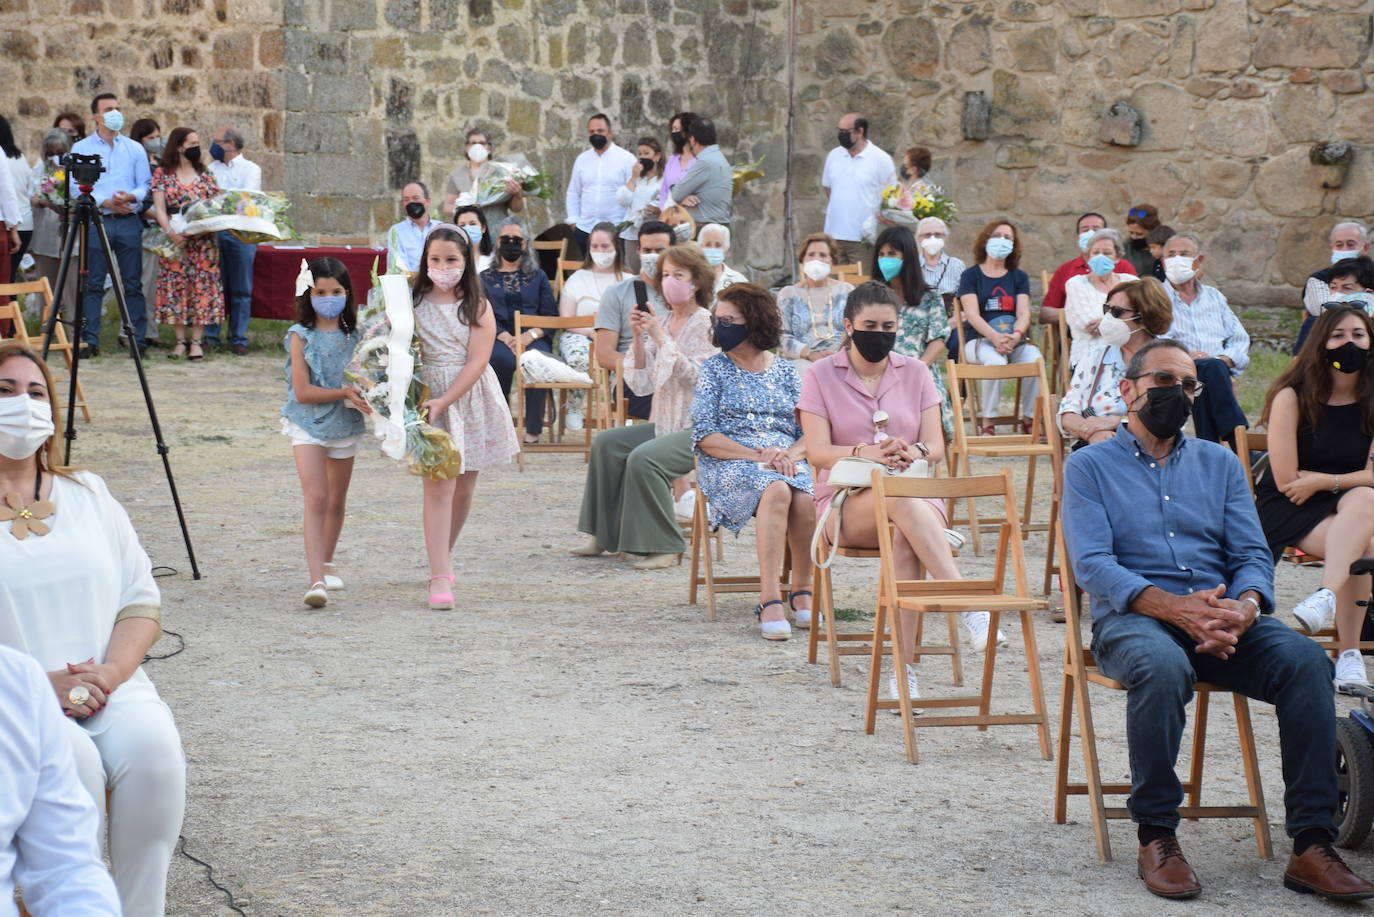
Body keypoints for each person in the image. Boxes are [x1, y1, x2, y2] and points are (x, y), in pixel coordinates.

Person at [1062, 337, 1374, 903]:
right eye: (1163, 382)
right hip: (1136, 620)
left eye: (1187, 386)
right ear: (1128, 389)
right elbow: (1092, 564)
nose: (1176, 395)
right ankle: (1157, 835)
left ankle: (1311, 844)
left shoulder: (1219, 463)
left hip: (1224, 618)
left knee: (1305, 660)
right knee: (1160, 667)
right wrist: (1174, 607)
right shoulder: (1089, 467)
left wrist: (1247, 606)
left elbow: (1252, 555)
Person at [0, 340, 186, 916]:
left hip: (112, 686)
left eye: (36, 392)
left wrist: (110, 672)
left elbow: (139, 600)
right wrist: (34, 686)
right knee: (72, 766)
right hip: (14, 701)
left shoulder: (90, 494)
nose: (22, 404)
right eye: (4, 391)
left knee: (155, 754)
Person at [800, 282, 998, 701]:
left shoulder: (917, 371)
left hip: (915, 496)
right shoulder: (819, 374)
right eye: (870, 324)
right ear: (849, 325)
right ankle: (968, 604)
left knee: (904, 527)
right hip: (846, 501)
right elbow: (816, 453)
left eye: (888, 325)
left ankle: (901, 673)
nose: (880, 332)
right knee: (899, 499)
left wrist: (912, 449)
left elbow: (938, 447)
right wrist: (867, 450)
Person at [573, 243, 716, 569]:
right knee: (607, 443)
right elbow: (642, 382)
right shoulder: (664, 322)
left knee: (644, 458)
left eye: (678, 274)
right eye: (665, 274)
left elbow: (695, 376)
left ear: (696, 282)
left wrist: (659, 338)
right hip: (665, 422)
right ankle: (603, 534)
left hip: (697, 427)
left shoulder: (705, 323)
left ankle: (665, 545)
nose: (669, 280)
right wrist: (639, 337)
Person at [1257, 305, 1374, 689]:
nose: (1349, 344)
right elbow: (1289, 479)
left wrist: (1326, 481)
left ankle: (1326, 594)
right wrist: (1346, 481)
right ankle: (1350, 653)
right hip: (1291, 506)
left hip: (1346, 503)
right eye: (1338, 335)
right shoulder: (1292, 396)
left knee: (1364, 502)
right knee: (1365, 546)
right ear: (1321, 343)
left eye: (1358, 334)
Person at [694, 282, 815, 640]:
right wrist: (759, 455)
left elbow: (811, 430)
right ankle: (769, 598)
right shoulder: (714, 369)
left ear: (754, 321)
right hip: (730, 459)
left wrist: (789, 454)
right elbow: (704, 435)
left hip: (785, 458)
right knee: (776, 489)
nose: (720, 327)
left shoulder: (785, 371)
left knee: (806, 495)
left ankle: (802, 589)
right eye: (718, 320)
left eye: (729, 320)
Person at [409, 227, 519, 608]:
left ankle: (444, 554)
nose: (442, 267)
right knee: (438, 486)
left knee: (465, 485)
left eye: (451, 260)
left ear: (465, 262)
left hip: (468, 396)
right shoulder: (412, 300)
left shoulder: (476, 304)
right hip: (428, 395)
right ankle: (438, 574)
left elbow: (477, 361)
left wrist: (447, 399)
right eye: (435, 259)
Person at [0, 643, 123, 916]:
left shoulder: (16, 679)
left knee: (154, 757)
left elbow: (67, 870)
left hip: (89, 685)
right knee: (84, 760)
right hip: (51, 686)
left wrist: (103, 678)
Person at [280, 257, 370, 608]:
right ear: (309, 293)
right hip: (307, 422)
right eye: (321, 292)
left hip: (345, 423)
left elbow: (367, 378)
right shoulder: (299, 337)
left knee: (336, 500)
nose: (328, 298)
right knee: (316, 497)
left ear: (347, 294)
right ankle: (315, 579)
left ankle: (328, 562)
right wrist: (344, 393)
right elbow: (302, 392)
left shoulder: (359, 336)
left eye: (336, 291)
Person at [70, 92, 152, 357]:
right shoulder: (81, 148)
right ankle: (90, 339)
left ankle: (136, 339)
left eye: (117, 108)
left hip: (128, 220)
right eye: (108, 109)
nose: (115, 113)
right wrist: (105, 201)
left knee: (132, 283)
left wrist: (131, 197)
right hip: (97, 221)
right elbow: (73, 186)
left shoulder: (135, 148)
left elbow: (145, 185)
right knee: (93, 282)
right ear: (96, 116)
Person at [1058, 277, 1172, 449]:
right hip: (1094, 448)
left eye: (1117, 312)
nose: (1108, 318)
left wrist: (1116, 423)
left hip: (1148, 450)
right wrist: (1093, 432)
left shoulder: (1166, 361)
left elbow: (1170, 418)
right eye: (1106, 309)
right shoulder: (1093, 358)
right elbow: (1067, 414)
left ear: (1144, 316)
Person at [1158, 232, 1250, 443]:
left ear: (1198, 261)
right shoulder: (1156, 297)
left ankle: (1209, 446)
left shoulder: (1214, 297)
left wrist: (1224, 360)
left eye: (1184, 254)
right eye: (1171, 254)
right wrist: (1186, 357)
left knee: (1210, 370)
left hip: (1213, 368)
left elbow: (1240, 339)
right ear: (1163, 262)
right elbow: (1155, 340)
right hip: (1175, 368)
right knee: (1208, 370)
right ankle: (1239, 442)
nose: (1177, 259)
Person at [958, 218, 1042, 435]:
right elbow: (972, 315)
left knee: (1035, 360)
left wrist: (1015, 336)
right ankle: (988, 420)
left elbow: (1024, 313)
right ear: (986, 240)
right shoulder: (971, 275)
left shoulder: (1018, 277)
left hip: (1014, 341)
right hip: (979, 341)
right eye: (997, 236)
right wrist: (995, 338)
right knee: (995, 361)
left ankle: (1030, 418)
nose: (1002, 241)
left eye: (1008, 238)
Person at [480, 218, 557, 444]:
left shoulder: (538, 276)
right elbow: (481, 313)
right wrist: (503, 335)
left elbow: (550, 314)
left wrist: (529, 335)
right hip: (499, 337)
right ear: (496, 244)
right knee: (499, 361)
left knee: (535, 361)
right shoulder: (485, 278)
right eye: (505, 239)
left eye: (516, 240)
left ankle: (532, 430)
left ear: (525, 244)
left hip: (533, 336)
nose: (511, 243)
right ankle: (498, 426)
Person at [150, 126, 222, 361]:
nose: (196, 147)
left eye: (197, 143)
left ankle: (197, 343)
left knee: (201, 288)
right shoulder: (163, 173)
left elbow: (214, 206)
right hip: (175, 240)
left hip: (202, 242)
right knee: (176, 287)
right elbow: (159, 209)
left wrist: (200, 227)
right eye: (191, 143)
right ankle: (179, 341)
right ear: (179, 145)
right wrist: (170, 232)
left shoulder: (206, 174)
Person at [874, 225, 951, 437]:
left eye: (892, 254)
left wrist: (918, 368)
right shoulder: (871, 296)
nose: (885, 259)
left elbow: (939, 337)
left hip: (918, 369)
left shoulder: (929, 297)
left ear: (907, 256)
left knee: (929, 399)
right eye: (881, 254)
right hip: (875, 371)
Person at [593, 219, 674, 421]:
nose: (652, 256)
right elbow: (604, 354)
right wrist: (643, 367)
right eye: (647, 250)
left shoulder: (682, 293)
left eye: (660, 250)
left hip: (674, 374)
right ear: (638, 250)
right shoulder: (617, 293)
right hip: (631, 380)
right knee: (671, 402)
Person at [559, 221, 632, 431]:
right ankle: (575, 405)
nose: (600, 251)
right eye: (595, 247)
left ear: (616, 247)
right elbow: (566, 319)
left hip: (619, 337)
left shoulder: (628, 280)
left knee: (626, 357)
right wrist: (591, 332)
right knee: (581, 356)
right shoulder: (577, 279)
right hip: (581, 334)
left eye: (605, 246)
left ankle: (620, 407)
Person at [205, 126, 262, 355]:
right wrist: (223, 195)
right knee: (214, 287)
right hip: (214, 231)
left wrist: (220, 194)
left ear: (230, 144)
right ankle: (211, 336)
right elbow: (207, 197)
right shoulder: (211, 168)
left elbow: (244, 199)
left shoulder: (251, 169)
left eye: (217, 141)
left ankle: (238, 337)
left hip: (242, 233)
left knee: (241, 289)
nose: (213, 146)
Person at [821, 112, 896, 266]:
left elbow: (891, 197)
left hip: (863, 238)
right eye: (839, 131)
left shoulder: (880, 159)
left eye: (845, 132)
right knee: (833, 286)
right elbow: (827, 188)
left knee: (862, 286)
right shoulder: (834, 156)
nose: (841, 135)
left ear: (860, 131)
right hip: (833, 236)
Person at [1040, 212, 1136, 326]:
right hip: (1080, 330)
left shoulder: (1124, 268)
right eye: (1085, 230)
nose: (1091, 233)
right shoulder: (1065, 270)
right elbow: (1045, 314)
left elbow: (1137, 304)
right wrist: (1077, 312)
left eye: (1096, 229)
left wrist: (1107, 319)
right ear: (1077, 237)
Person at [1064, 229, 1137, 368]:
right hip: (1089, 359)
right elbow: (1087, 324)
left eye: (1107, 253)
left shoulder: (1131, 282)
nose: (1100, 257)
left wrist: (1105, 322)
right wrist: (1127, 321)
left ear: (1117, 257)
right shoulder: (1076, 284)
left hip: (1129, 356)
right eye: (1096, 253)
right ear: (1088, 257)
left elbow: (1144, 319)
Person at [778, 232, 852, 369]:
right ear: (803, 259)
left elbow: (856, 330)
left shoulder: (847, 291)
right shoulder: (788, 294)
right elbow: (782, 337)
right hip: (801, 361)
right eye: (811, 254)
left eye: (823, 255)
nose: (816, 260)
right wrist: (810, 354)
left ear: (833, 261)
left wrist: (837, 355)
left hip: (841, 359)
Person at [565, 114, 635, 258]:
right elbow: (573, 192)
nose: (596, 134)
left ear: (610, 132)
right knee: (588, 274)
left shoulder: (626, 159)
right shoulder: (582, 159)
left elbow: (635, 194)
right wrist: (573, 221)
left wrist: (624, 226)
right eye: (592, 132)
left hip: (615, 229)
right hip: (585, 229)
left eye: (600, 131)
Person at [28, 129, 80, 321]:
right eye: (51, 152)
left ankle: (76, 332)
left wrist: (68, 209)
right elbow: (32, 196)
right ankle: (46, 332)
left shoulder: (76, 169)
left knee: (72, 288)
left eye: (60, 152)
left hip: (72, 237)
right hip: (46, 237)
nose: (55, 157)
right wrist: (46, 201)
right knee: (46, 289)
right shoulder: (41, 168)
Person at [1296, 222, 1371, 353]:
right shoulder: (1318, 279)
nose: (1344, 249)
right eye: (1339, 245)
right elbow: (1326, 311)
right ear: (1332, 248)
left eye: (1351, 244)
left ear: (1365, 247)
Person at [440, 127, 527, 232]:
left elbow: (516, 209)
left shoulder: (503, 172)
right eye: (473, 143)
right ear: (467, 147)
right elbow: (447, 207)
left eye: (481, 143)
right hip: (470, 232)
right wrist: (465, 206)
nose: (477, 146)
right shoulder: (457, 175)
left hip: (497, 230)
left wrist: (517, 195)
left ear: (489, 147)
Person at [129, 118, 163, 348]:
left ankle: (150, 330)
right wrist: (161, 215)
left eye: (157, 137)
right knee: (140, 284)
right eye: (150, 138)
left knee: (153, 287)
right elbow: (140, 201)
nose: (154, 142)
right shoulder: (134, 162)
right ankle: (132, 332)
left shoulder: (160, 162)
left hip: (161, 231)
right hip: (144, 229)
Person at [666, 117, 732, 227]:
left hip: (706, 226)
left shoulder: (705, 162)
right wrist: (685, 195)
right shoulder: (717, 156)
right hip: (716, 224)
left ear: (692, 139)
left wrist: (676, 189)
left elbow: (677, 194)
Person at [615, 136, 663, 273]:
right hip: (633, 233)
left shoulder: (663, 180)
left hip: (653, 232)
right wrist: (634, 177)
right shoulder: (637, 180)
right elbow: (622, 199)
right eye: (640, 154)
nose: (642, 157)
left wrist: (657, 209)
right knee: (634, 271)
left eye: (646, 153)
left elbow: (668, 203)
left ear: (657, 156)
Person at [0, 116, 34, 277]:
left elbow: (7, 193)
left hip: (8, 221)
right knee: (8, 278)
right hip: (21, 221)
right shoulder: (19, 157)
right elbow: (14, 191)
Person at [385, 181, 438, 275]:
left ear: (428, 201)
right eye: (406, 199)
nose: (411, 203)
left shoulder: (441, 228)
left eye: (415, 198)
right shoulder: (396, 231)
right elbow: (398, 264)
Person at [915, 216, 965, 305]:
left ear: (945, 237)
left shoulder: (957, 265)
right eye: (927, 235)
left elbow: (964, 300)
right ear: (919, 238)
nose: (932, 238)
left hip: (949, 317)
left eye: (938, 235)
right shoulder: (911, 264)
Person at [657, 111, 697, 212]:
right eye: (672, 129)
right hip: (671, 218)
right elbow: (664, 192)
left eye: (677, 129)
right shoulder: (672, 160)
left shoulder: (701, 160)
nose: (674, 133)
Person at [698, 222, 747, 295]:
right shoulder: (692, 277)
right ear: (699, 248)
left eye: (718, 245)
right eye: (708, 244)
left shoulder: (738, 280)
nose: (712, 248)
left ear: (726, 250)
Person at [453, 204, 494, 273]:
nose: (468, 228)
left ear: (483, 228)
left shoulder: (495, 257)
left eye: (472, 224)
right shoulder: (452, 258)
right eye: (462, 225)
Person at [1122, 204, 1160, 276]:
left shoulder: (1164, 248)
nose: (1134, 237)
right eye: (1131, 233)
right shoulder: (1124, 249)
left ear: (1152, 231)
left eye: (1139, 234)